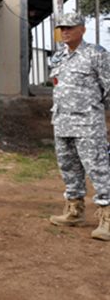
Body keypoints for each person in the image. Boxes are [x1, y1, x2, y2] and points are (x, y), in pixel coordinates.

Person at [48, 12, 110, 241]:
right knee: (69, 167)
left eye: (70, 27)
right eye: (62, 28)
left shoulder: (96, 54)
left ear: (82, 29)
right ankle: (74, 210)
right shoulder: (58, 58)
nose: (64, 31)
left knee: (98, 169)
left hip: (88, 123)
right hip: (62, 122)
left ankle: (108, 217)